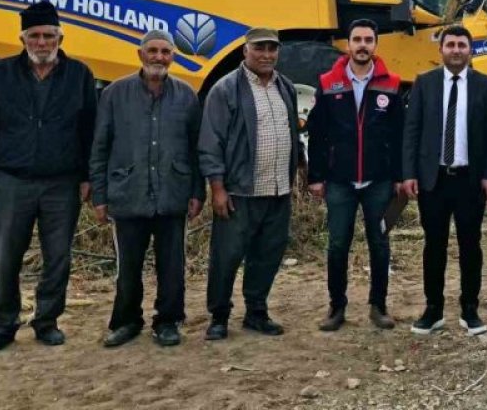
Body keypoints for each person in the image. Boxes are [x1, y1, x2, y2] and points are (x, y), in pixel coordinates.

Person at [0, 1, 96, 353]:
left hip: (62, 183)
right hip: (12, 181)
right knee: (5, 256)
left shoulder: (80, 75)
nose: (42, 42)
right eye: (35, 36)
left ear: (60, 37)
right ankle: (2, 324)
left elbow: (89, 131)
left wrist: (88, 177)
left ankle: (47, 321)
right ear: (23, 38)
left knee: (58, 257)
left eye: (49, 35)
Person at [89, 29, 204, 348]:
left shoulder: (187, 95)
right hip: (128, 192)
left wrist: (198, 191)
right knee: (128, 266)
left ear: (173, 57)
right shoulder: (114, 93)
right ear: (140, 54)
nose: (159, 57)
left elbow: (196, 149)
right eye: (152, 50)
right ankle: (126, 321)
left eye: (165, 52)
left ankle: (168, 321)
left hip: (173, 192)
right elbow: (100, 146)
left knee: (172, 266)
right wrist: (100, 194)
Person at [199, 27, 303, 341]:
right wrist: (217, 187)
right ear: (246, 51)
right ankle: (219, 316)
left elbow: (292, 134)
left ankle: (256, 312)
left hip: (277, 190)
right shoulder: (226, 89)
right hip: (239, 191)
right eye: (259, 49)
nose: (266, 55)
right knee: (226, 256)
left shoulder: (285, 86)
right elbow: (211, 142)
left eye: (272, 49)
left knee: (268, 253)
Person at [401, 25, 487, 336]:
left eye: (462, 45)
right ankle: (434, 309)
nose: (456, 50)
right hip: (434, 180)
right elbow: (412, 131)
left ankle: (470, 309)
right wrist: (409, 173)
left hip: (470, 180)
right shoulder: (424, 83)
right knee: (434, 245)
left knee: (471, 245)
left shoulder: (485, 85)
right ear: (440, 50)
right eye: (451, 45)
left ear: (470, 51)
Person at [306, 19, 404, 331]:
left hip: (380, 181)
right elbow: (317, 134)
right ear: (347, 44)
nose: (362, 45)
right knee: (337, 244)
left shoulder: (391, 83)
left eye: (368, 40)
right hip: (339, 182)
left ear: (376, 45)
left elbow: (401, 136)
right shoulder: (328, 82)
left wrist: (401, 177)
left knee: (380, 242)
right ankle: (336, 307)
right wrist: (315, 176)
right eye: (357, 39)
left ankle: (379, 305)